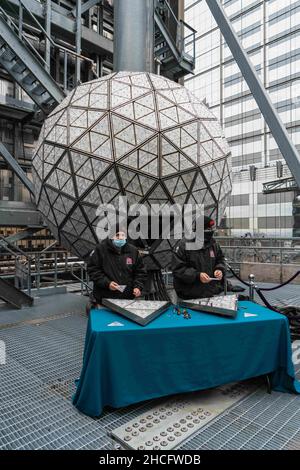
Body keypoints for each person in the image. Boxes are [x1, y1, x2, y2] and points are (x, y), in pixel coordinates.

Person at [87, 227, 147, 308]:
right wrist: (107, 283)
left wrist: (138, 287)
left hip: (127, 299)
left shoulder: (133, 251)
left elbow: (140, 272)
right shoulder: (100, 249)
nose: (120, 238)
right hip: (105, 299)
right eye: (117, 235)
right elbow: (93, 270)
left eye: (123, 235)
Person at [172, 216, 226, 300]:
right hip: (188, 294)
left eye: (211, 229)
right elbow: (178, 269)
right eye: (208, 230)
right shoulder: (184, 245)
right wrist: (197, 275)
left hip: (209, 292)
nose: (210, 232)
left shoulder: (214, 244)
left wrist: (219, 269)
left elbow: (220, 259)